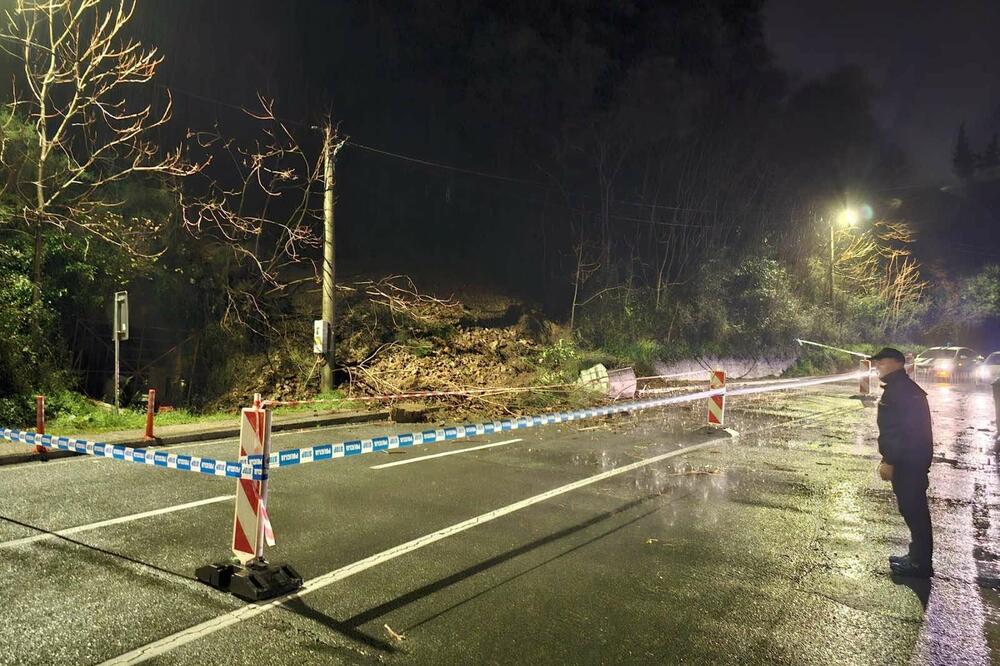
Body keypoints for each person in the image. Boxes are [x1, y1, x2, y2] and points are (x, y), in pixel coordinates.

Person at [870, 347, 934, 578]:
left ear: (898, 363)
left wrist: (890, 461)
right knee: (913, 510)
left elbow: (900, 432)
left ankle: (919, 563)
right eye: (876, 363)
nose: (878, 366)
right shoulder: (905, 389)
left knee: (914, 511)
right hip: (914, 460)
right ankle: (916, 556)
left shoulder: (900, 392)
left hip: (908, 462)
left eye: (882, 362)